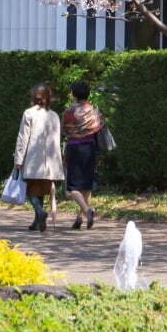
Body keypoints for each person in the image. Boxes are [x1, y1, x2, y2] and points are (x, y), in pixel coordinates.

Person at [13, 82, 64, 232]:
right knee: (41, 190)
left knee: (30, 190)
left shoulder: (29, 113)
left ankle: (40, 213)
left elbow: (23, 138)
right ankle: (38, 221)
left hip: (33, 158)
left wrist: (18, 159)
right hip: (51, 160)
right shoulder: (54, 115)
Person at [60, 80, 104, 230]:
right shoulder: (94, 110)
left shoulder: (69, 112)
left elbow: (64, 131)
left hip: (74, 148)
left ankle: (87, 211)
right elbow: (99, 126)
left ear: (74, 94)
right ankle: (79, 218)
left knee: (71, 188)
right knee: (86, 184)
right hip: (91, 147)